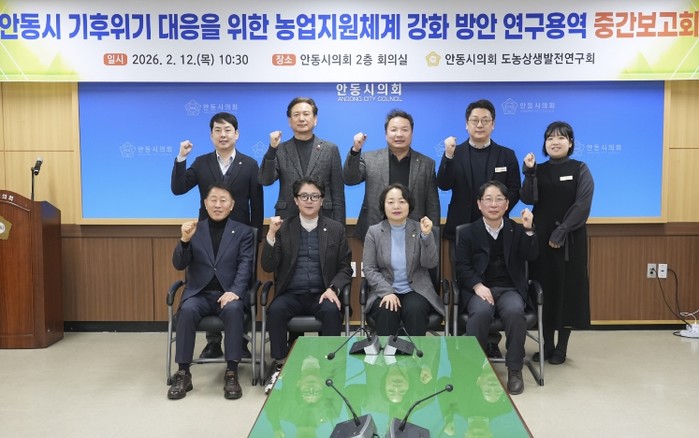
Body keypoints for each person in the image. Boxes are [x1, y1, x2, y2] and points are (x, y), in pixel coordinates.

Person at [171, 111, 263, 360]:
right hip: (208, 236)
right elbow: (178, 188)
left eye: (228, 130)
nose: (223, 135)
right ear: (211, 135)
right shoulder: (201, 162)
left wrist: (256, 237)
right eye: (218, 130)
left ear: (237, 134)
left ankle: (240, 341)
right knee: (208, 282)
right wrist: (181, 157)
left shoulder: (249, 164)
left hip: (241, 237)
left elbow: (257, 203)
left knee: (240, 287)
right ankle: (213, 342)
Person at [438, 99, 520, 358]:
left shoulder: (506, 155)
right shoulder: (456, 152)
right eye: (475, 120)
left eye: (485, 120)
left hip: (496, 230)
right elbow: (443, 184)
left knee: (495, 281)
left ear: (493, 124)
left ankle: (492, 341)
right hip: (462, 232)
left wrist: (494, 210)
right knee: (467, 283)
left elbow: (515, 190)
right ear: (466, 124)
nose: (480, 125)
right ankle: (468, 339)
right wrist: (448, 156)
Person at [261, 177, 353, 389]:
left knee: (332, 311)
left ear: (322, 200)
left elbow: (345, 267)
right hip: (291, 294)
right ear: (296, 200)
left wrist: (333, 288)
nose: (309, 201)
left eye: (314, 196)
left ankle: (330, 367)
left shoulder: (335, 229)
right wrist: (271, 234)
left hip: (322, 293)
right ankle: (280, 366)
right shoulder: (284, 228)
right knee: (276, 311)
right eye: (304, 196)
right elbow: (268, 265)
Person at [168, 183, 254, 400]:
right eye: (213, 200)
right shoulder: (194, 230)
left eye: (223, 200)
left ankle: (231, 372)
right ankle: (183, 373)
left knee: (234, 310)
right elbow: (179, 264)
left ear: (232, 205)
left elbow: (245, 265)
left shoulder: (243, 232)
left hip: (228, 293)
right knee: (186, 310)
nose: (218, 205)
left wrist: (235, 291)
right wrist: (184, 240)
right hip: (200, 294)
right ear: (205, 204)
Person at [520, 121, 594, 365]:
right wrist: (529, 172)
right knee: (545, 291)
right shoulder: (538, 170)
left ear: (570, 143)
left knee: (567, 292)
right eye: (550, 138)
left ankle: (561, 348)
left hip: (570, 241)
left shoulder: (580, 168)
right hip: (542, 240)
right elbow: (528, 198)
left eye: (561, 137)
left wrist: (561, 231)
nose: (555, 142)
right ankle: (547, 345)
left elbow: (582, 205)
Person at [455, 181, 538, 395]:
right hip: (480, 288)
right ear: (479, 204)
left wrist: (529, 229)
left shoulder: (516, 229)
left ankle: (515, 370)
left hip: (509, 289)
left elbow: (531, 255)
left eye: (499, 199)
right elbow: (461, 266)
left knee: (515, 312)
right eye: (488, 199)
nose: (494, 204)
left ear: (507, 204)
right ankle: (474, 368)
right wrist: (477, 285)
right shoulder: (467, 232)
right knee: (481, 313)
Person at [343, 109, 440, 241]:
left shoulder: (427, 164)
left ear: (412, 133)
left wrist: (431, 237)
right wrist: (356, 150)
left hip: (414, 235)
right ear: (386, 134)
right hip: (376, 233)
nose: (399, 134)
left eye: (404, 130)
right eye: (394, 130)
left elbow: (433, 206)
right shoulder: (369, 158)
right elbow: (350, 179)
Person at [362, 183, 445, 336]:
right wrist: (387, 291)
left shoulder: (421, 229)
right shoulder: (374, 232)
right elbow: (369, 268)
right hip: (384, 288)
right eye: (391, 202)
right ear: (383, 206)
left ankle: (414, 352)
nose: (396, 206)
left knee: (415, 310)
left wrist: (426, 236)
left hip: (415, 290)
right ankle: (388, 351)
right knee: (387, 309)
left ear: (409, 205)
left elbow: (430, 263)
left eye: (402, 201)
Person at [259, 96, 346, 223]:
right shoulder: (280, 149)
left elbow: (338, 193)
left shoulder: (330, 149)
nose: (301, 118)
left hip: (324, 217)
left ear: (315, 119)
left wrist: (340, 227)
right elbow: (265, 180)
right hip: (288, 218)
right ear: (289, 121)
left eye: (306, 114)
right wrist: (272, 149)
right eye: (296, 115)